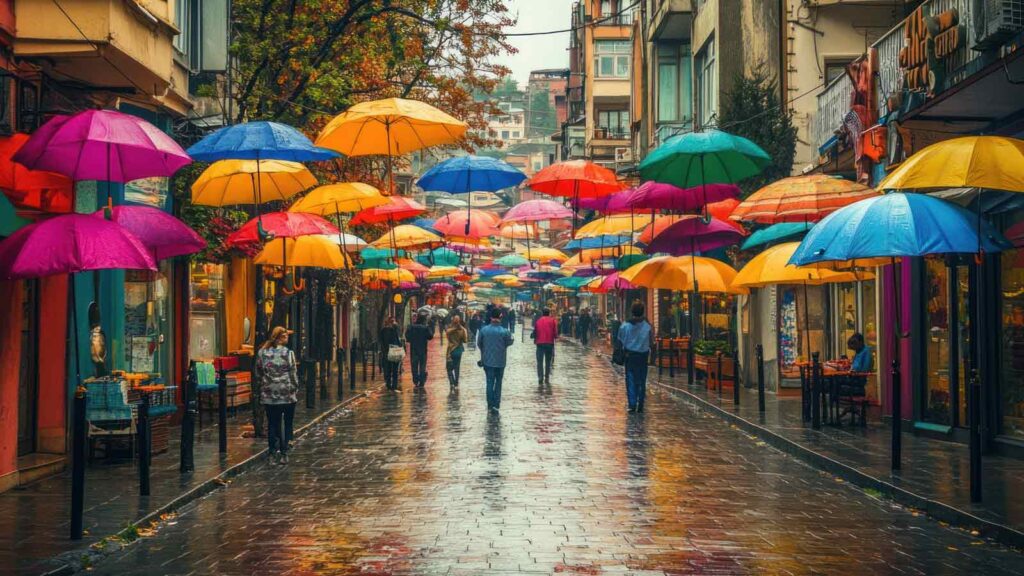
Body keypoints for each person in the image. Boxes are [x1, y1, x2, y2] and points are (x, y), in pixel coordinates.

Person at [256, 326, 299, 465]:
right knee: (287, 423)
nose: (288, 338)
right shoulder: (288, 354)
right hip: (286, 393)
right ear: (280, 337)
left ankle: (272, 453)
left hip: (269, 394)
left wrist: (266, 383)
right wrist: (295, 387)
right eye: (286, 336)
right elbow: (293, 373)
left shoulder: (262, 353)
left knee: (272, 423)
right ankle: (284, 452)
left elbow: (258, 371)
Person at [617, 303, 653, 413]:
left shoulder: (625, 325)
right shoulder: (647, 326)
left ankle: (632, 404)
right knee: (642, 380)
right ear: (643, 312)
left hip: (630, 356)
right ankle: (640, 403)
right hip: (643, 356)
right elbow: (651, 342)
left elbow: (620, 340)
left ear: (632, 312)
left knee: (631, 379)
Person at [477, 307, 514, 412]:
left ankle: (490, 404)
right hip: (500, 361)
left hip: (487, 361)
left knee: (489, 382)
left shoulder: (484, 330)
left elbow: (479, 343)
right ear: (500, 318)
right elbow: (510, 342)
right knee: (498, 383)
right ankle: (496, 404)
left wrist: (484, 351)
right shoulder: (504, 331)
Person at [405, 311, 435, 389]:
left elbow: (407, 337)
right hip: (423, 349)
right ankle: (421, 381)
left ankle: (415, 380)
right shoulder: (425, 328)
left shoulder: (411, 327)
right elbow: (430, 336)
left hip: (414, 349)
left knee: (414, 366)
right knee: (422, 366)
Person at [533, 308, 557, 385]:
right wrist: (555, 337)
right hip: (549, 343)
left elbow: (535, 332)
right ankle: (547, 377)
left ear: (542, 313)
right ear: (549, 313)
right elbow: (555, 332)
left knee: (539, 362)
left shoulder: (538, 321)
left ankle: (540, 377)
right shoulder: (552, 321)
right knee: (548, 361)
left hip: (539, 344)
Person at [379, 316, 402, 390]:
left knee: (388, 369)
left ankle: (389, 384)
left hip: (387, 351)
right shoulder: (393, 330)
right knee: (394, 369)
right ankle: (393, 385)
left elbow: (381, 341)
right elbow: (397, 340)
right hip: (394, 351)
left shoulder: (383, 330)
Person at [446, 315, 468, 388]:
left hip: (451, 350)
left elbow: (447, 333)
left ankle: (451, 382)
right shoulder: (463, 329)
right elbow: (465, 340)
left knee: (449, 368)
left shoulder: (449, 328)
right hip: (459, 350)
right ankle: (456, 383)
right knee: (457, 367)